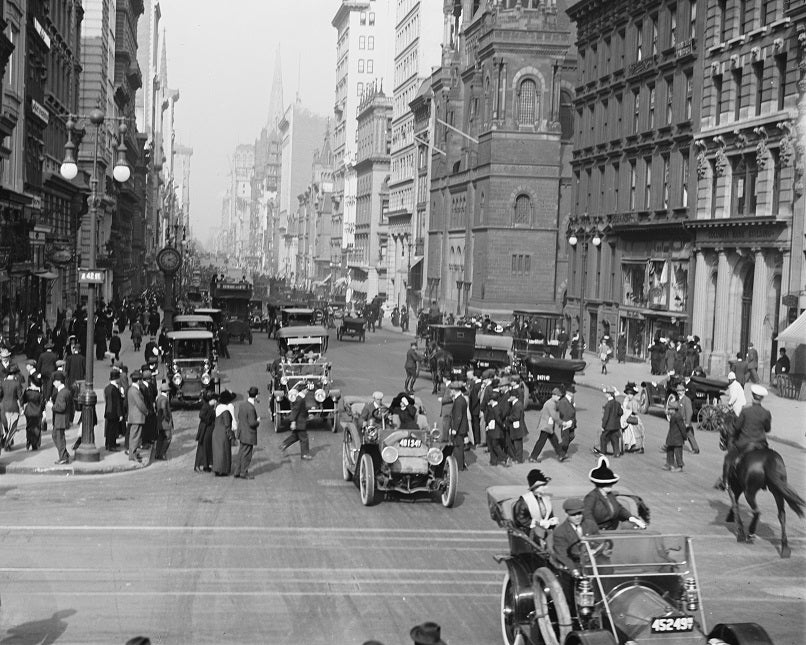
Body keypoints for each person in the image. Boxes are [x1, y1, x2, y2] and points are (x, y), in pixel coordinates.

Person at [717, 384, 772, 490]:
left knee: (728, 459)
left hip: (745, 443)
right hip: (761, 444)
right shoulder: (766, 413)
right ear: (762, 398)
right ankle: (765, 482)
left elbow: (737, 427)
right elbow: (767, 429)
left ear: (752, 396)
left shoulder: (745, 411)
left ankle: (725, 482)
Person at [583, 457, 647, 531]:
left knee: (634, 527)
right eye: (608, 484)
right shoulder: (591, 497)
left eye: (610, 484)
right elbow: (587, 515)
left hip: (613, 528)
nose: (611, 486)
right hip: (599, 531)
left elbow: (619, 509)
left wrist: (631, 518)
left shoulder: (610, 495)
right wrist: (593, 529)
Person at [552, 497, 600, 572]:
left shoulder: (591, 524)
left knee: (607, 569)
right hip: (575, 564)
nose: (577, 517)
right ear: (566, 514)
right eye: (573, 515)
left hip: (594, 560)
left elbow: (599, 541)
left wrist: (595, 550)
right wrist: (573, 569)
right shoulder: (560, 532)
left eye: (579, 513)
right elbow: (562, 555)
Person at [512, 469, 558, 545]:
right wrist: (538, 524)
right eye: (543, 485)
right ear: (536, 487)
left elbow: (549, 515)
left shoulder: (546, 499)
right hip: (530, 534)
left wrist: (551, 521)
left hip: (545, 532)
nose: (546, 488)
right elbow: (520, 519)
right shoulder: (524, 501)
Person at [529, 387, 564, 462]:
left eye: (559, 396)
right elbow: (554, 415)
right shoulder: (551, 404)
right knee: (541, 442)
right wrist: (562, 423)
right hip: (546, 426)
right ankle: (533, 457)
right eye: (558, 396)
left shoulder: (551, 402)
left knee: (554, 440)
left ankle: (561, 454)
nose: (559, 398)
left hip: (548, 425)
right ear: (553, 395)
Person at [234, 386, 260, 479]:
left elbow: (239, 417)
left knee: (241, 453)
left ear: (248, 394)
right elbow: (252, 423)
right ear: (256, 396)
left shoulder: (242, 405)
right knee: (247, 455)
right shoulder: (251, 408)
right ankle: (243, 472)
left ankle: (237, 471)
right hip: (249, 434)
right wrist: (258, 421)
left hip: (242, 433)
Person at [281, 383, 312, 460]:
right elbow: (295, 411)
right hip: (299, 422)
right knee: (304, 438)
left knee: (296, 436)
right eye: (306, 389)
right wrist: (293, 421)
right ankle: (304, 454)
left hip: (299, 421)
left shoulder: (300, 398)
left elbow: (303, 410)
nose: (307, 391)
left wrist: (308, 416)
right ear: (303, 390)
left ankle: (284, 444)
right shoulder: (299, 399)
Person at [212, 389, 237, 475]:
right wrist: (232, 435)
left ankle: (217, 469)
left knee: (217, 452)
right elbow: (227, 424)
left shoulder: (218, 408)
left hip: (216, 432)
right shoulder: (226, 410)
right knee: (224, 452)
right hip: (223, 433)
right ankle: (223, 470)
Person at [49, 371, 72, 464]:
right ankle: (64, 454)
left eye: (54, 381)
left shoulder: (62, 393)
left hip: (60, 419)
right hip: (61, 419)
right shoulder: (65, 391)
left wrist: (52, 406)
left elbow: (61, 407)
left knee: (59, 438)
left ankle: (63, 457)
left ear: (59, 381)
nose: (53, 383)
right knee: (55, 436)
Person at [1, 362, 23, 449]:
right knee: (13, 426)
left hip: (4, 406)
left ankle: (6, 441)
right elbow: (20, 396)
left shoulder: (3, 383)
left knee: (6, 426)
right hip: (13, 406)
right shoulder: (17, 383)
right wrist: (22, 406)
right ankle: (7, 442)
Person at [126, 371, 147, 462]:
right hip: (136, 417)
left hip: (134, 416)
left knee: (134, 436)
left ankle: (133, 453)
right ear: (138, 380)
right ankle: (132, 454)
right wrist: (146, 411)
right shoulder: (134, 391)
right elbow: (140, 404)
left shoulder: (132, 389)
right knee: (135, 437)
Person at [596, 387, 623, 457]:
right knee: (615, 438)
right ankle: (617, 453)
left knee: (603, 437)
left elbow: (606, 417)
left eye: (607, 393)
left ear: (609, 395)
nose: (605, 394)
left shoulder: (608, 405)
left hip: (608, 425)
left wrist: (603, 426)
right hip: (616, 425)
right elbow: (621, 412)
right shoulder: (618, 403)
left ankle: (603, 452)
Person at [448, 380, 469, 470]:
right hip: (462, 427)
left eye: (451, 390)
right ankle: (461, 464)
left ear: (454, 390)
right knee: (460, 447)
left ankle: (459, 466)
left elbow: (458, 416)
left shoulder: (459, 401)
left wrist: (454, 429)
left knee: (458, 447)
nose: (450, 391)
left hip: (459, 429)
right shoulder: (461, 399)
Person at [194, 391, 217, 472]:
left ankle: (206, 465)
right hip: (205, 429)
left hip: (209, 430)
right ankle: (197, 465)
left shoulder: (210, 407)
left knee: (207, 448)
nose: (215, 401)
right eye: (214, 400)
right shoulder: (206, 406)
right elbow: (201, 415)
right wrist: (208, 421)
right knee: (202, 448)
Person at [485, 388, 508, 466]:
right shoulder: (495, 407)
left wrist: (502, 425)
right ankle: (493, 461)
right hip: (493, 429)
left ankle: (505, 458)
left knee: (495, 445)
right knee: (492, 444)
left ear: (492, 400)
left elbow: (498, 420)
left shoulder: (496, 408)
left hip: (496, 430)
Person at [674, 382, 699, 454]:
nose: (679, 392)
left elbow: (689, 411)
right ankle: (695, 448)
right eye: (678, 391)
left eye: (681, 391)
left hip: (685, 421)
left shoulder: (686, 400)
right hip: (680, 421)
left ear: (684, 391)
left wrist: (687, 423)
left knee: (689, 435)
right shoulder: (680, 399)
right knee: (687, 435)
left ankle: (695, 449)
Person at [103, 368, 124, 452]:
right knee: (113, 429)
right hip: (114, 412)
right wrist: (120, 414)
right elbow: (117, 403)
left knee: (109, 429)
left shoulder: (107, 388)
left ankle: (108, 443)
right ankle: (112, 445)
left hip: (108, 411)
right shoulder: (114, 389)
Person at [663, 399, 687, 472]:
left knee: (678, 453)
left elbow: (682, 427)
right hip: (672, 437)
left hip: (677, 438)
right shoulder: (674, 415)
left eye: (670, 409)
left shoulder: (678, 416)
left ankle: (680, 466)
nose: (669, 411)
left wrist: (684, 436)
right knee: (669, 451)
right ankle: (670, 464)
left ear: (674, 410)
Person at [22, 373, 44, 451]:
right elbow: (42, 403)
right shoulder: (39, 393)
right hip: (37, 411)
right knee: (37, 427)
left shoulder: (27, 392)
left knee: (29, 427)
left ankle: (29, 440)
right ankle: (35, 443)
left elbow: (23, 401)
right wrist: (43, 412)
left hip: (29, 411)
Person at [620, 382, 644, 453]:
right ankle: (630, 445)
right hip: (627, 418)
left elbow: (635, 410)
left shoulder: (634, 402)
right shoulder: (626, 401)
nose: (629, 395)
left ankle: (638, 447)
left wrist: (629, 410)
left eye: (631, 394)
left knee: (636, 432)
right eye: (628, 394)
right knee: (627, 431)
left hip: (633, 418)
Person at [557, 384, 577, 460]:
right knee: (565, 440)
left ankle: (559, 447)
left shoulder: (570, 401)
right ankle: (561, 455)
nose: (573, 394)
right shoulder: (563, 401)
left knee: (572, 436)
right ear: (568, 393)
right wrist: (566, 422)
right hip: (566, 423)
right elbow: (562, 413)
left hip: (571, 423)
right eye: (572, 393)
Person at [154, 382, 173, 460]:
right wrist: (167, 418)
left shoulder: (159, 398)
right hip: (165, 422)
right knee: (168, 437)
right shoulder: (164, 399)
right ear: (167, 391)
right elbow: (164, 409)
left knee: (160, 437)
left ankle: (157, 453)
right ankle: (162, 454)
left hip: (159, 421)